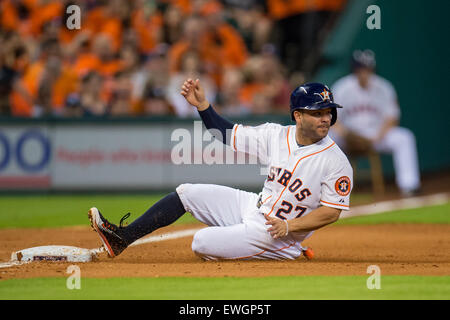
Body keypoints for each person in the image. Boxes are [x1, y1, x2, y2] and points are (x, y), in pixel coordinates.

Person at [88, 79, 353, 261]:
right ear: (298, 116)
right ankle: (122, 238)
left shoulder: (335, 161)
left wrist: (289, 226)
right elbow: (227, 134)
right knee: (186, 193)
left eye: (328, 112)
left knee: (201, 243)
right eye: (317, 113)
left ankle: (289, 251)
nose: (326, 118)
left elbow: (332, 212)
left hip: (275, 234)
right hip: (255, 207)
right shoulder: (276, 134)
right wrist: (203, 106)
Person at [330, 49, 421, 196]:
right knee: (328, 139)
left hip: (377, 134)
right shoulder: (342, 87)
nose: (364, 72)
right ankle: (326, 189)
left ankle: (409, 185)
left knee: (404, 137)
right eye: (360, 69)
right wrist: (347, 134)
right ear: (354, 70)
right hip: (349, 135)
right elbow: (332, 119)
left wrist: (379, 136)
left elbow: (392, 117)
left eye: (367, 68)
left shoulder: (384, 87)